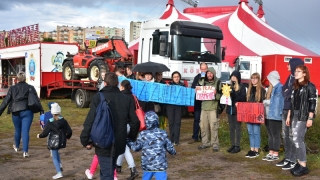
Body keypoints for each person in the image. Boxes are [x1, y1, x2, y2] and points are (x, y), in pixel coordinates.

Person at [80, 72, 140, 180]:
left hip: (103, 142)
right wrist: (130, 137)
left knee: (107, 174)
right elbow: (135, 122)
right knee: (107, 171)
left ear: (105, 83)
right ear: (117, 84)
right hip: (119, 142)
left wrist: (85, 139)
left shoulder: (99, 97)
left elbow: (90, 119)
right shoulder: (126, 99)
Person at [0, 71, 44, 158]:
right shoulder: (30, 87)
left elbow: (6, 101)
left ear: (17, 79)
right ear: (25, 78)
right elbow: (36, 100)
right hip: (27, 111)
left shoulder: (12, 88)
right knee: (25, 131)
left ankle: (16, 146)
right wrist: (41, 111)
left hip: (15, 111)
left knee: (17, 129)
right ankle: (25, 152)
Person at [285, 65, 317, 176]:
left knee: (298, 139)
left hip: (304, 116)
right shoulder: (295, 87)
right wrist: (289, 116)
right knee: (294, 139)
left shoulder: (310, 87)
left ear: (304, 74)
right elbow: (292, 103)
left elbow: (313, 103)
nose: (296, 72)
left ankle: (303, 166)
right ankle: (299, 162)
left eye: (299, 71)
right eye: (296, 71)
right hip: (294, 115)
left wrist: (310, 118)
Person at [127, 111, 176, 180]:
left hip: (147, 164)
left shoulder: (143, 134)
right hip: (160, 165)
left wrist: (128, 141)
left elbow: (135, 148)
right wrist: (173, 151)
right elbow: (170, 148)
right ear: (157, 121)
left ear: (146, 122)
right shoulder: (163, 133)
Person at [276, 58, 304, 169]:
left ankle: (293, 159)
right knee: (285, 135)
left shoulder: (298, 79)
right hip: (285, 108)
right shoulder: (290, 77)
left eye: (288, 65)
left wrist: (287, 93)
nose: (287, 67)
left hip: (292, 110)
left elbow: (292, 93)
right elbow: (284, 90)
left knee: (292, 136)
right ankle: (288, 157)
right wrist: (287, 92)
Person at [36, 103, 72, 179]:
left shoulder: (50, 122)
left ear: (52, 113)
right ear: (59, 112)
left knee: (54, 156)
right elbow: (69, 131)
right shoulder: (63, 121)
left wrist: (39, 136)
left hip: (54, 141)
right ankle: (60, 165)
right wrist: (67, 137)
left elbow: (45, 133)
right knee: (57, 152)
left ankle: (59, 172)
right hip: (62, 140)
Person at [116, 80, 139, 180]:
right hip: (130, 124)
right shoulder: (133, 97)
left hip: (122, 125)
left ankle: (133, 169)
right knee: (123, 144)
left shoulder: (119, 97)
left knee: (124, 147)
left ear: (122, 87)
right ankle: (118, 165)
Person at [197, 67, 222, 152]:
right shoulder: (203, 82)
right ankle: (205, 143)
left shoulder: (218, 83)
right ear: (206, 74)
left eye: (211, 73)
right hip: (203, 108)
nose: (209, 75)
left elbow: (222, 97)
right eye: (208, 73)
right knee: (203, 126)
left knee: (213, 126)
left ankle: (215, 144)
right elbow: (198, 93)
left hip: (213, 108)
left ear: (214, 74)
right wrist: (197, 92)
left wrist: (216, 94)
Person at [262, 71, 284, 161]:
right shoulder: (273, 87)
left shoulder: (280, 88)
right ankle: (271, 152)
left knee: (275, 135)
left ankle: (276, 153)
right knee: (270, 134)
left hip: (276, 115)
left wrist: (267, 102)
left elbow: (279, 103)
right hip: (269, 115)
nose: (269, 80)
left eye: (270, 78)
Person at [245, 72, 266, 158]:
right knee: (250, 132)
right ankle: (252, 148)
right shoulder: (249, 89)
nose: (253, 80)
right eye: (252, 78)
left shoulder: (262, 90)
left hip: (257, 114)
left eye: (255, 78)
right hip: (249, 114)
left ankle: (256, 150)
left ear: (258, 79)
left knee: (256, 132)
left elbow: (264, 102)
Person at [226, 70, 246, 154]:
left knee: (237, 128)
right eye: (232, 76)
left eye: (235, 76)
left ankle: (237, 145)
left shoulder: (241, 87)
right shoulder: (228, 86)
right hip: (230, 109)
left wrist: (234, 96)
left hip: (237, 110)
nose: (233, 77)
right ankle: (233, 144)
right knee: (231, 128)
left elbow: (243, 98)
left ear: (238, 77)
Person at [189, 62, 208, 144]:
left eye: (205, 69)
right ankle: (195, 136)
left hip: (207, 103)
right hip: (198, 102)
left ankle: (203, 136)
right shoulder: (197, 77)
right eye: (202, 69)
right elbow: (193, 86)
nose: (203, 70)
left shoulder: (210, 77)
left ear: (207, 69)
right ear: (200, 69)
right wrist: (196, 88)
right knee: (197, 119)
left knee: (205, 120)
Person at [166, 71, 185, 145]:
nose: (176, 78)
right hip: (170, 106)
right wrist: (166, 88)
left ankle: (176, 140)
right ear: (172, 78)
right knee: (171, 122)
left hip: (178, 106)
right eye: (175, 77)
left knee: (177, 122)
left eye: (177, 77)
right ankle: (171, 139)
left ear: (179, 77)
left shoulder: (183, 86)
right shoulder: (169, 85)